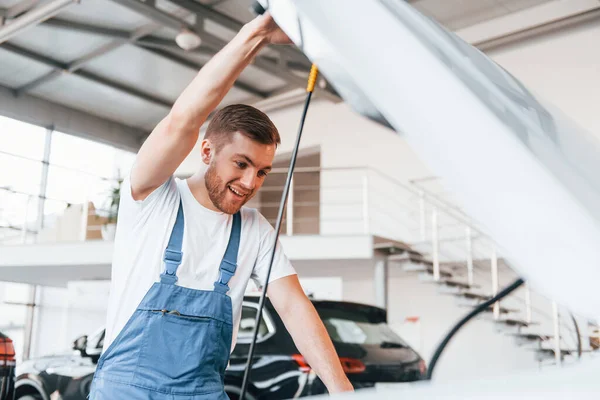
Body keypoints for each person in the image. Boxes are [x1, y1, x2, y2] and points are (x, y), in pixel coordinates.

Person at [89, 11, 354, 399]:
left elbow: (295, 308)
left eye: (262, 172)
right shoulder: (151, 197)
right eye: (241, 164)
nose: (250, 183)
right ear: (207, 151)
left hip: (203, 391)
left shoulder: (254, 229)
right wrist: (257, 34)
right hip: (126, 390)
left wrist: (342, 390)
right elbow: (183, 119)